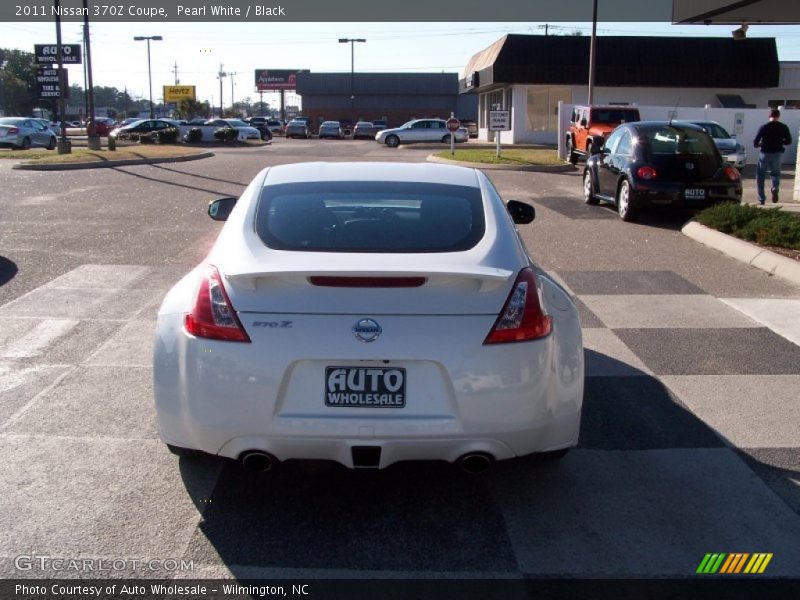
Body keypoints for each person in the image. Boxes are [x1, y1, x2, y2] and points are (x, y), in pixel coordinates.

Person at [753, 109, 792, 205]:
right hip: (777, 153)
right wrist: (780, 142)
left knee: (760, 176)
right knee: (776, 173)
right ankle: (775, 187)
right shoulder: (783, 127)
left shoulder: (764, 127)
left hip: (765, 153)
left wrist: (761, 144)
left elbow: (755, 142)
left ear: (769, 116)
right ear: (778, 116)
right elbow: (789, 141)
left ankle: (761, 198)